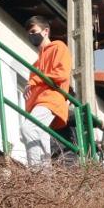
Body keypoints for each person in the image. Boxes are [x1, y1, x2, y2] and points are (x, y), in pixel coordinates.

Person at [21, 15, 72, 166]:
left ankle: (36, 170)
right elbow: (33, 91)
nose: (31, 35)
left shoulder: (59, 47)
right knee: (40, 136)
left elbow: (62, 74)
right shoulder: (35, 66)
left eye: (33, 31)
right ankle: (44, 175)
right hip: (38, 104)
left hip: (51, 100)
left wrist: (35, 80)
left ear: (45, 31)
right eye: (28, 33)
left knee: (27, 128)